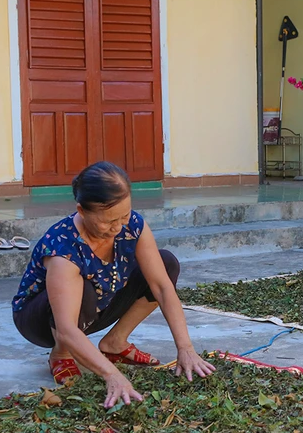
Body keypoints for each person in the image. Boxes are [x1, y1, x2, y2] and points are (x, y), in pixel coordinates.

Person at [12, 161, 215, 408]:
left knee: (166, 263)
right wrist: (113, 376)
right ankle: (61, 353)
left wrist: (186, 348)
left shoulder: (132, 226)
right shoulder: (63, 248)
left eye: (124, 216)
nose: (118, 227)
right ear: (82, 211)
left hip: (99, 300)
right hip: (40, 320)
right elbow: (66, 327)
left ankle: (115, 342)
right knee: (82, 285)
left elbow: (161, 287)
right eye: (108, 222)